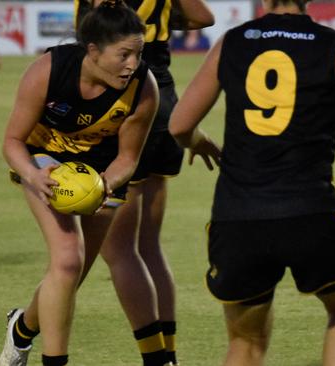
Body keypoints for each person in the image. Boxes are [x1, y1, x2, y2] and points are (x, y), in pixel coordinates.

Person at [169, 0, 335, 365]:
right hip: (312, 214)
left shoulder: (231, 42)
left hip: (238, 218)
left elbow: (179, 125)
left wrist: (197, 141)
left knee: (246, 342)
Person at [0, 2, 159, 365]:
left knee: (72, 274)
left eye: (138, 53)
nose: (132, 64)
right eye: (123, 55)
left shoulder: (143, 88)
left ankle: (21, 329)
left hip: (102, 170)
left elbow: (128, 159)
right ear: (93, 50)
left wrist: (103, 184)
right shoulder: (48, 71)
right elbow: (11, 141)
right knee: (68, 259)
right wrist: (33, 175)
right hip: (44, 159)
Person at [74, 0, 215, 365]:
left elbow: (86, 37)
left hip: (126, 99)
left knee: (119, 250)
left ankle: (157, 359)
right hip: (165, 100)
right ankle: (169, 353)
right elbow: (204, 17)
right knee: (149, 246)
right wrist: (161, 19)